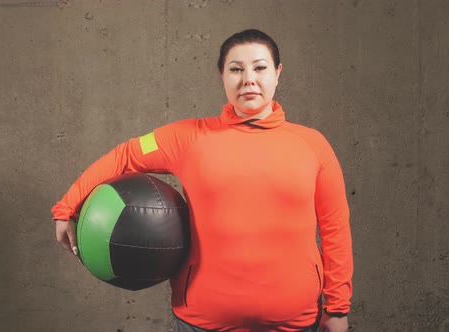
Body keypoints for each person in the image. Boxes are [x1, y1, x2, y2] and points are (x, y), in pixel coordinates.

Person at [53, 29, 353, 332]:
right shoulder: (188, 138)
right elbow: (126, 154)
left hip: (296, 322)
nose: (248, 78)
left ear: (277, 73)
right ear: (221, 75)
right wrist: (68, 207)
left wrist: (338, 308)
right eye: (236, 69)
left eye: (260, 67)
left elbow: (335, 230)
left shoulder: (313, 145)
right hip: (202, 322)